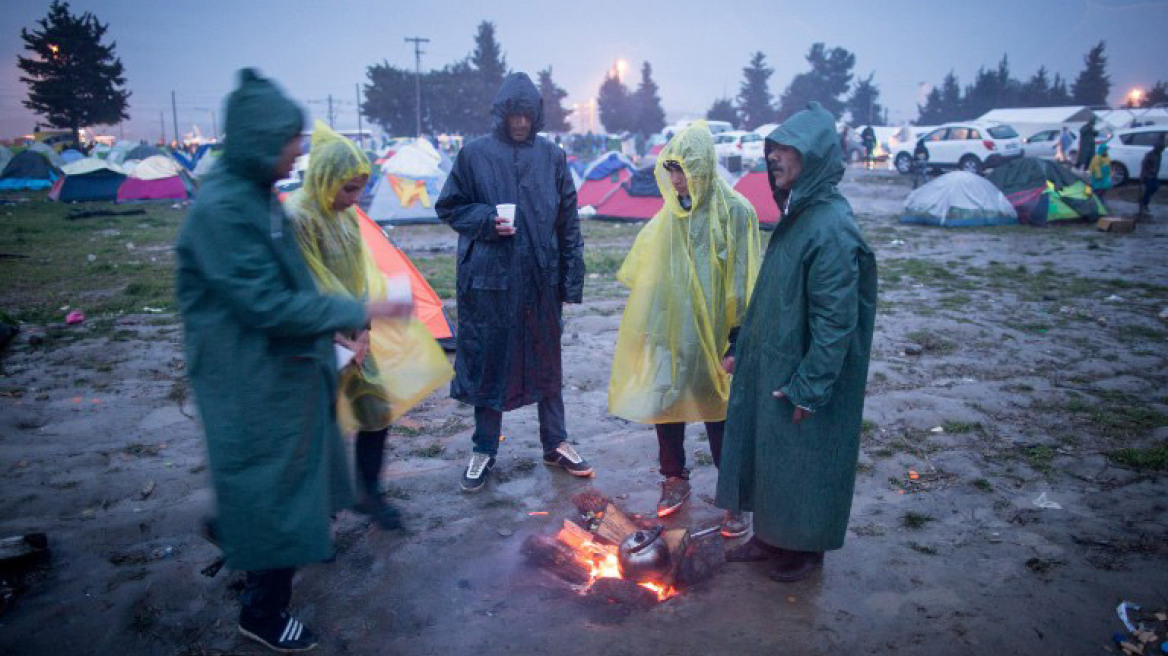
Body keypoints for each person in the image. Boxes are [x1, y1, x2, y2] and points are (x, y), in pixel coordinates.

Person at [176, 69, 411, 653]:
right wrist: (363, 308)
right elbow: (267, 302)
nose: (298, 151)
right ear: (261, 140)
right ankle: (261, 612)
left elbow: (292, 284)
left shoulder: (254, 197)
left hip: (283, 368)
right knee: (276, 484)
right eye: (290, 139)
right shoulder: (225, 211)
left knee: (287, 479)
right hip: (250, 374)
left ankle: (238, 533)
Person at [716, 101, 877, 583]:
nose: (774, 158)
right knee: (773, 457)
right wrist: (742, 344)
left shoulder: (830, 227)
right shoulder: (800, 215)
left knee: (804, 461)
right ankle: (770, 538)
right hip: (776, 364)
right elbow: (772, 296)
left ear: (817, 158)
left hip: (806, 374)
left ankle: (805, 549)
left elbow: (835, 322)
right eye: (773, 149)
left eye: (788, 149)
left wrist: (811, 385)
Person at [285, 121, 452, 530]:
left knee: (376, 410)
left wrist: (363, 332)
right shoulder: (298, 217)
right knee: (317, 431)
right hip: (311, 340)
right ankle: (313, 518)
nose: (355, 198)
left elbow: (362, 275)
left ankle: (368, 493)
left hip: (353, 332)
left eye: (360, 188)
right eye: (349, 189)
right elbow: (309, 284)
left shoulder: (346, 217)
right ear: (325, 178)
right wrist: (340, 335)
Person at [435, 72, 588, 493]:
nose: (519, 123)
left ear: (536, 115)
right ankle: (484, 447)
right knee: (490, 361)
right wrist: (485, 220)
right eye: (513, 115)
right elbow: (448, 206)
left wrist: (570, 279)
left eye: (526, 115)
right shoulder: (474, 156)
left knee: (547, 361)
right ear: (501, 114)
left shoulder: (552, 157)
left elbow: (568, 222)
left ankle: (555, 441)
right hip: (490, 281)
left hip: (541, 279)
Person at [608, 121, 760, 533]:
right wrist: (650, 331)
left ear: (704, 167)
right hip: (672, 331)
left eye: (684, 170)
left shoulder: (738, 213)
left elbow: (745, 282)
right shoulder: (670, 215)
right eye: (671, 170)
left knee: (721, 415)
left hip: (715, 335)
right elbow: (654, 276)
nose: (676, 180)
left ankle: (734, 497)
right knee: (667, 404)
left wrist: (737, 341)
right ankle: (674, 479)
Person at [1138, 137, 1164, 218]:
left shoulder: (1159, 155)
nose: (1162, 150)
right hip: (1147, 176)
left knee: (1155, 187)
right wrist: (1143, 176)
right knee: (1148, 190)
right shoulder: (1150, 155)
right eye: (1161, 148)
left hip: (1153, 176)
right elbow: (1143, 165)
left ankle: (1144, 203)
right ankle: (1144, 204)